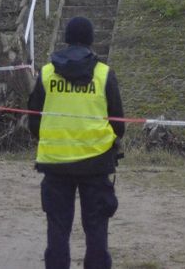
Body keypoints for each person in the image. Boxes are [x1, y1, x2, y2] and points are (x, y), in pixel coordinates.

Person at [27, 16, 125, 269]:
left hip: (55, 163)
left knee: (57, 230)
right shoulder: (104, 74)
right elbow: (119, 124)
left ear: (66, 38)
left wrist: (53, 139)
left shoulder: (47, 73)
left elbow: (33, 120)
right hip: (96, 162)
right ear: (91, 40)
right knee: (96, 230)